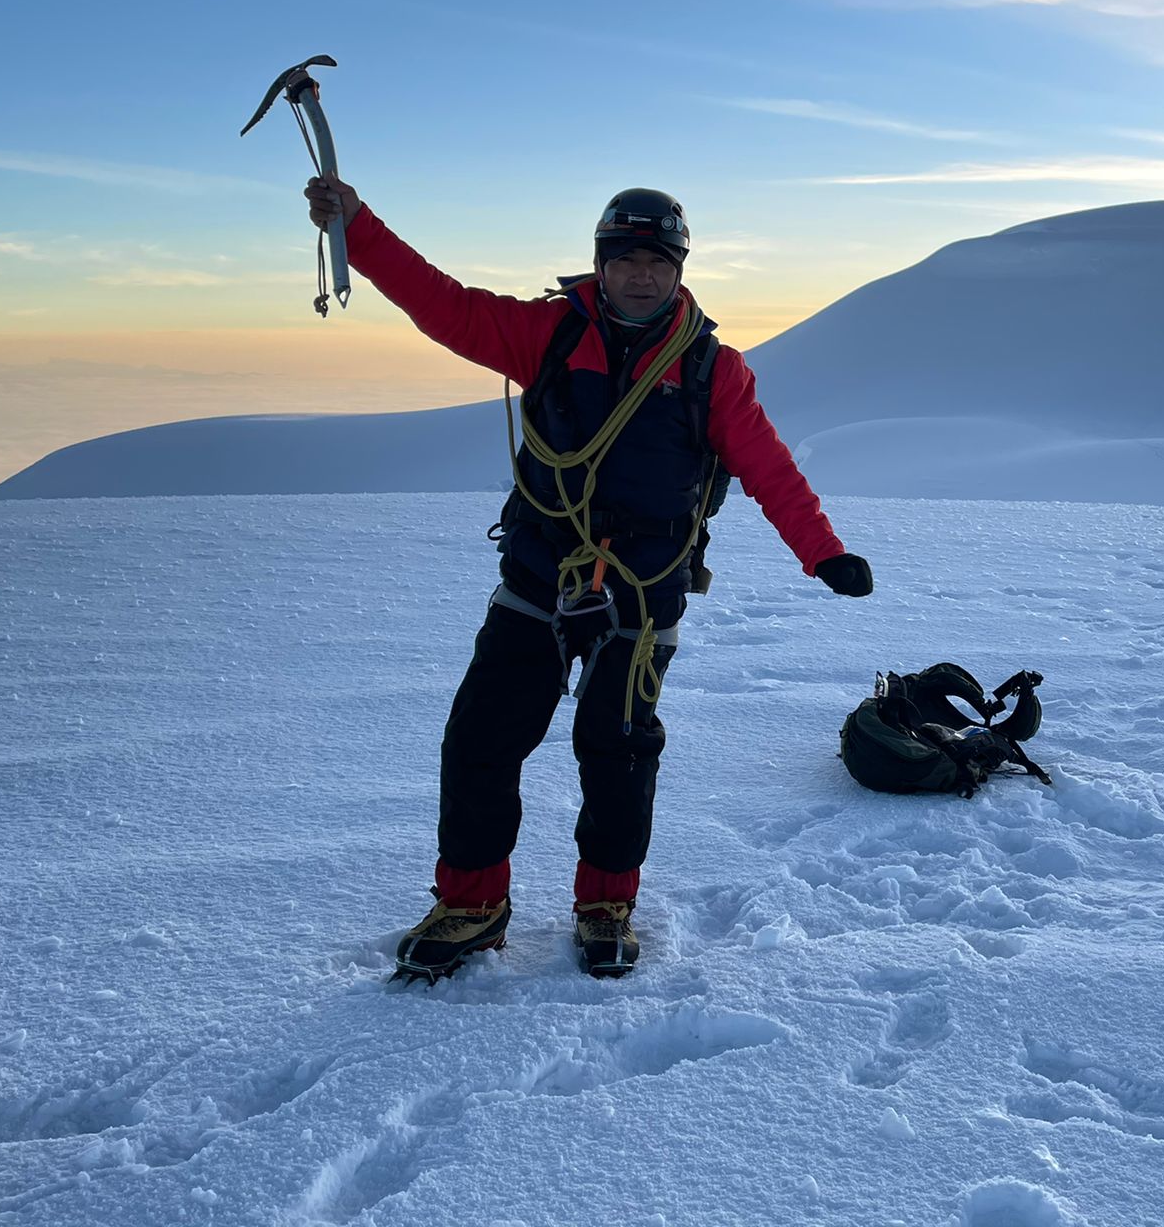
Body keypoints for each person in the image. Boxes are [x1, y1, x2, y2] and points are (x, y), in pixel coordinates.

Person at [305, 177, 874, 979]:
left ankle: (606, 906)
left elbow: (768, 466)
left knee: (619, 753)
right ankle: (472, 904)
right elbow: (444, 304)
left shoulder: (715, 371)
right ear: (600, 265)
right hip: (540, 574)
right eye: (626, 260)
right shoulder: (547, 335)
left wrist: (823, 551)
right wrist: (357, 230)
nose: (642, 275)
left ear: (679, 270)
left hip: (644, 590)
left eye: (658, 261)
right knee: (481, 737)